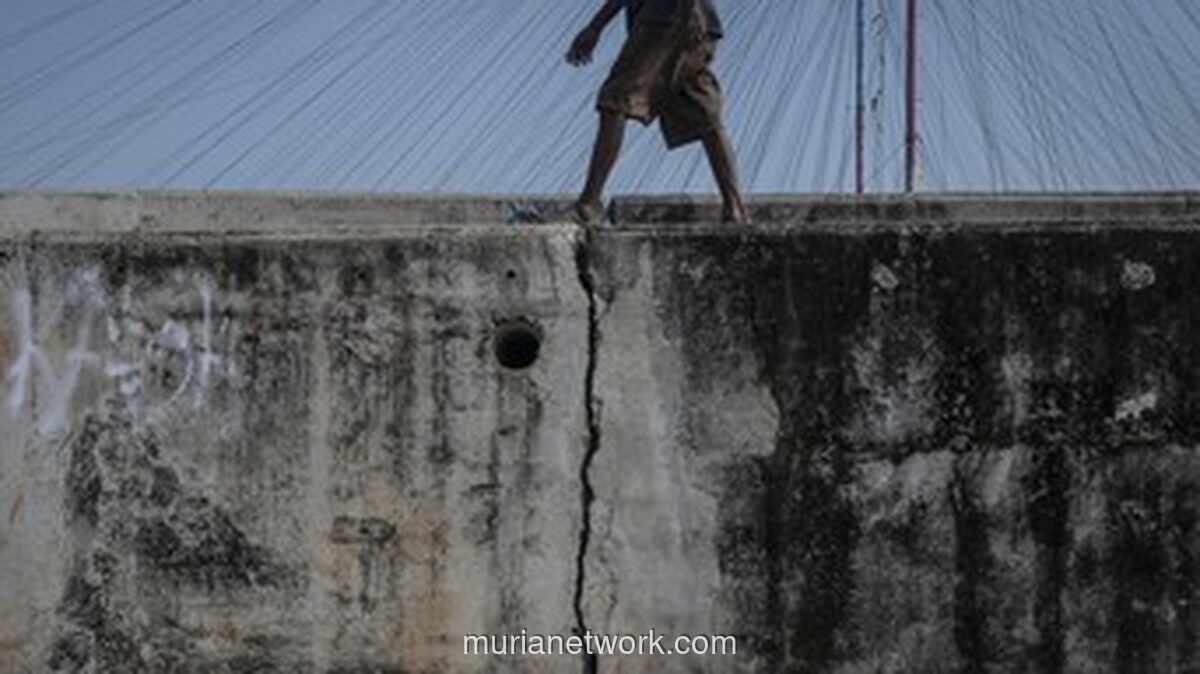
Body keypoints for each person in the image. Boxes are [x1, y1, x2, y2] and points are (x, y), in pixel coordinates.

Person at [566, 0, 751, 225]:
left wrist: (595, 27)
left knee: (615, 101)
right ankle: (735, 208)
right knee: (704, 113)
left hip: (665, 16)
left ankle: (589, 202)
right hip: (699, 24)